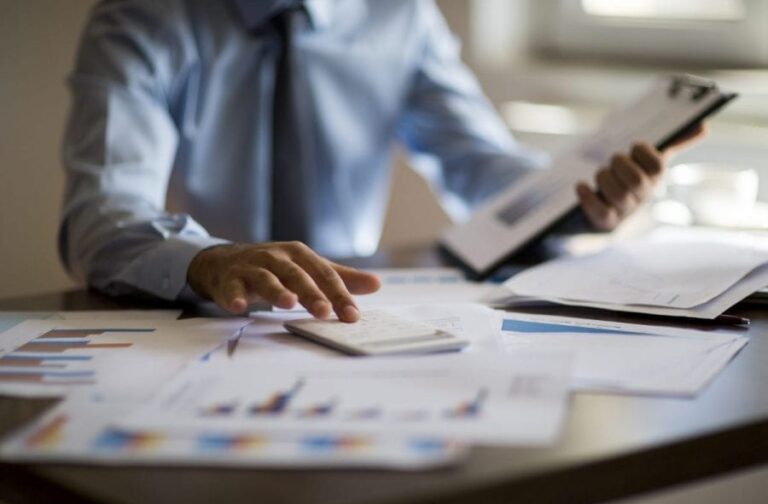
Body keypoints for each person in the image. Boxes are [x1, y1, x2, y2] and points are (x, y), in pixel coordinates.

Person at [59, 0, 702, 323]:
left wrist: (582, 200)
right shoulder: (141, 17)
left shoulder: (401, 14)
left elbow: (480, 166)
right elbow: (101, 215)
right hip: (205, 316)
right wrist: (207, 258)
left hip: (353, 318)